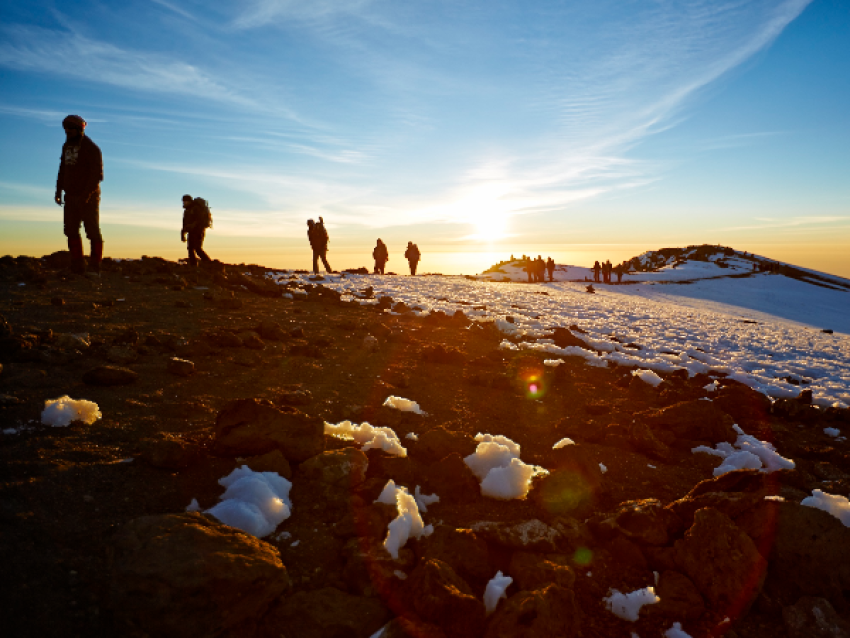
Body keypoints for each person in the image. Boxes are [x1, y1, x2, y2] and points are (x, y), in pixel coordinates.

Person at [55, 115, 103, 276]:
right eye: (65, 128)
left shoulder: (91, 148)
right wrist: (58, 189)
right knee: (70, 230)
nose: (67, 131)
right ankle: (77, 266)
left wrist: (87, 195)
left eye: (70, 128)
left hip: (89, 197)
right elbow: (63, 168)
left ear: (79, 129)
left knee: (92, 231)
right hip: (70, 195)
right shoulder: (66, 146)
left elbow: (97, 175)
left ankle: (95, 267)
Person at [180, 195, 212, 266]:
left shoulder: (196, 209)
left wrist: (191, 227)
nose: (184, 203)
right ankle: (193, 265)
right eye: (183, 201)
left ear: (189, 201)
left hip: (198, 231)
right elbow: (185, 223)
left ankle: (209, 263)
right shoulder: (187, 210)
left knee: (197, 248)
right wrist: (183, 233)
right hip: (191, 232)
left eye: (185, 201)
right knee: (190, 249)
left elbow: (199, 221)